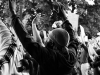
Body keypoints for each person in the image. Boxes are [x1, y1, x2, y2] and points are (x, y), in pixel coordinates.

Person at [9, 0, 78, 75]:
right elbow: (72, 37)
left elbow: (27, 40)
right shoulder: (71, 57)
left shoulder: (49, 57)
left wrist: (13, 13)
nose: (46, 39)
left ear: (52, 44)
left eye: (49, 37)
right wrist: (64, 17)